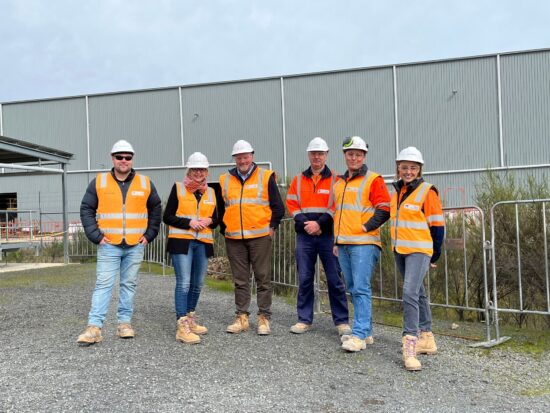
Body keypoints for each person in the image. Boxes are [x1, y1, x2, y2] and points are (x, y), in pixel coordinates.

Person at [77, 140, 162, 345]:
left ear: (132, 159)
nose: (124, 161)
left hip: (135, 245)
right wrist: (96, 236)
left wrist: (149, 235)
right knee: (103, 285)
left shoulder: (145, 183)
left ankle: (124, 324)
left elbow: (156, 209)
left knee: (128, 285)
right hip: (109, 245)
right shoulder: (99, 182)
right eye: (119, 157)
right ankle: (94, 328)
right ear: (112, 158)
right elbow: (86, 209)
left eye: (128, 157)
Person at [219, 139, 285, 335]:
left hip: (259, 236)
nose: (242, 160)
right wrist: (226, 229)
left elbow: (278, 207)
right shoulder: (225, 179)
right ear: (234, 159)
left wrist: (272, 227)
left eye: (245, 156)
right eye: (239, 157)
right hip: (234, 238)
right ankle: (242, 317)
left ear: (252, 156)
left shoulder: (265, 176)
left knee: (262, 278)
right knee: (240, 280)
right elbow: (221, 208)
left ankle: (264, 318)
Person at [286, 137, 351, 336]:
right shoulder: (298, 179)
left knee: (334, 278)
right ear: (309, 155)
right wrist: (308, 225)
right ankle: (304, 319)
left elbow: (336, 205)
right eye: (314, 153)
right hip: (305, 235)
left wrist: (320, 224)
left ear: (326, 155)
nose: (317, 157)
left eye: (320, 153)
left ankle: (341, 321)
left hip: (327, 236)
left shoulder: (337, 179)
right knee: (305, 277)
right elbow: (291, 204)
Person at [333, 136, 391, 352]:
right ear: (345, 156)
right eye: (350, 154)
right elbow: (338, 214)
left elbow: (384, 208)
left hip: (364, 243)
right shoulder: (339, 183)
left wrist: (366, 227)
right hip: (344, 243)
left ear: (364, 156)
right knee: (352, 288)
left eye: (358, 154)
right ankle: (365, 332)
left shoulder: (373, 179)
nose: (354, 158)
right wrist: (336, 241)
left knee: (360, 288)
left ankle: (358, 334)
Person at [390, 146, 444, 371]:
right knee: (418, 291)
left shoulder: (427, 191)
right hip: (400, 249)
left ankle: (410, 343)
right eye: (404, 167)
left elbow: (437, 226)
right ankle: (427, 337)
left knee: (409, 292)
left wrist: (435, 254)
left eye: (413, 168)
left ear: (419, 169)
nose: (408, 171)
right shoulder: (398, 192)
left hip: (420, 250)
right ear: (398, 169)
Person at [163, 152, 218, 345]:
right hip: (181, 242)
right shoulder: (178, 188)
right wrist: (189, 223)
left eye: (201, 169)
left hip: (202, 243)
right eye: (194, 169)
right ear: (189, 170)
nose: (198, 173)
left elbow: (218, 218)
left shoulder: (211, 192)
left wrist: (211, 220)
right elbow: (167, 216)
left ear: (206, 171)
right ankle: (182, 325)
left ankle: (190, 318)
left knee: (198, 284)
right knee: (184, 283)